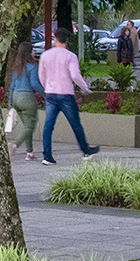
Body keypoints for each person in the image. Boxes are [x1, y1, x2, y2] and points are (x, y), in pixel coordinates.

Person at [38, 27, 100, 164]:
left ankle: (47, 156)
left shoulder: (45, 55)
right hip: (65, 93)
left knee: (48, 125)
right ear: (67, 40)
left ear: (55, 38)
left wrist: (47, 86)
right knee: (75, 123)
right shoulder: (70, 56)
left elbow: (41, 75)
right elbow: (75, 75)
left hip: (50, 93)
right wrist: (85, 88)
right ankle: (85, 150)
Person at [8, 47, 44, 160]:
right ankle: (15, 145)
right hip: (27, 97)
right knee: (30, 127)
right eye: (32, 50)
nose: (34, 52)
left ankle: (30, 153)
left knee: (27, 126)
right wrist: (45, 92)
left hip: (16, 97)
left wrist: (10, 103)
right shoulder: (33, 66)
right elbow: (34, 84)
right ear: (29, 53)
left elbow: (12, 86)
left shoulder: (16, 68)